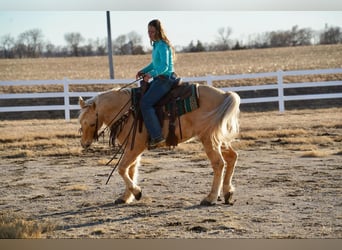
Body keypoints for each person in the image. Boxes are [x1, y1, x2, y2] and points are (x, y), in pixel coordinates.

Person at [136, 19, 176, 148]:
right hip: (160, 79)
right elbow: (155, 64)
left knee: (145, 103)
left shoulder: (163, 45)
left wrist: (150, 75)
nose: (150, 34)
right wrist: (143, 70)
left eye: (152, 31)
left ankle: (157, 136)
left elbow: (164, 66)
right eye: (148, 31)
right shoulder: (157, 45)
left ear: (158, 31)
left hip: (165, 79)